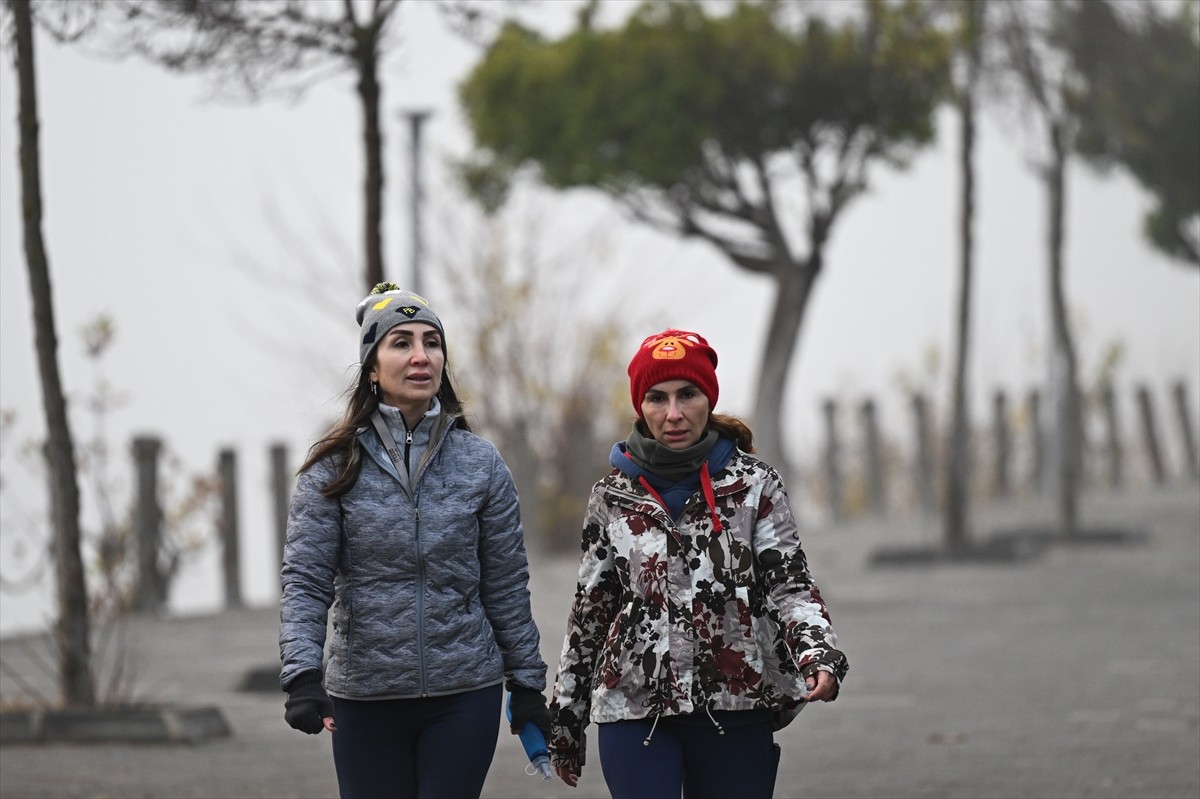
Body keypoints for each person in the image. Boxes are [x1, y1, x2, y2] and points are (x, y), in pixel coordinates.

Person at [547, 329, 848, 799]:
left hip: (735, 700)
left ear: (708, 397)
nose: (673, 413)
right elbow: (591, 611)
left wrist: (818, 652)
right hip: (633, 706)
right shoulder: (611, 495)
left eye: (687, 394)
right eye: (657, 398)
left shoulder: (754, 485)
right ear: (639, 407)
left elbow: (790, 585)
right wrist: (566, 716)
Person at [278, 283, 551, 799]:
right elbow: (306, 581)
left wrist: (528, 682)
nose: (421, 356)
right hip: (365, 694)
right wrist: (302, 676)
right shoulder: (331, 469)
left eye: (432, 342)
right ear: (373, 367)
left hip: (464, 691)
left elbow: (507, 585)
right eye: (401, 342)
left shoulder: (481, 464)